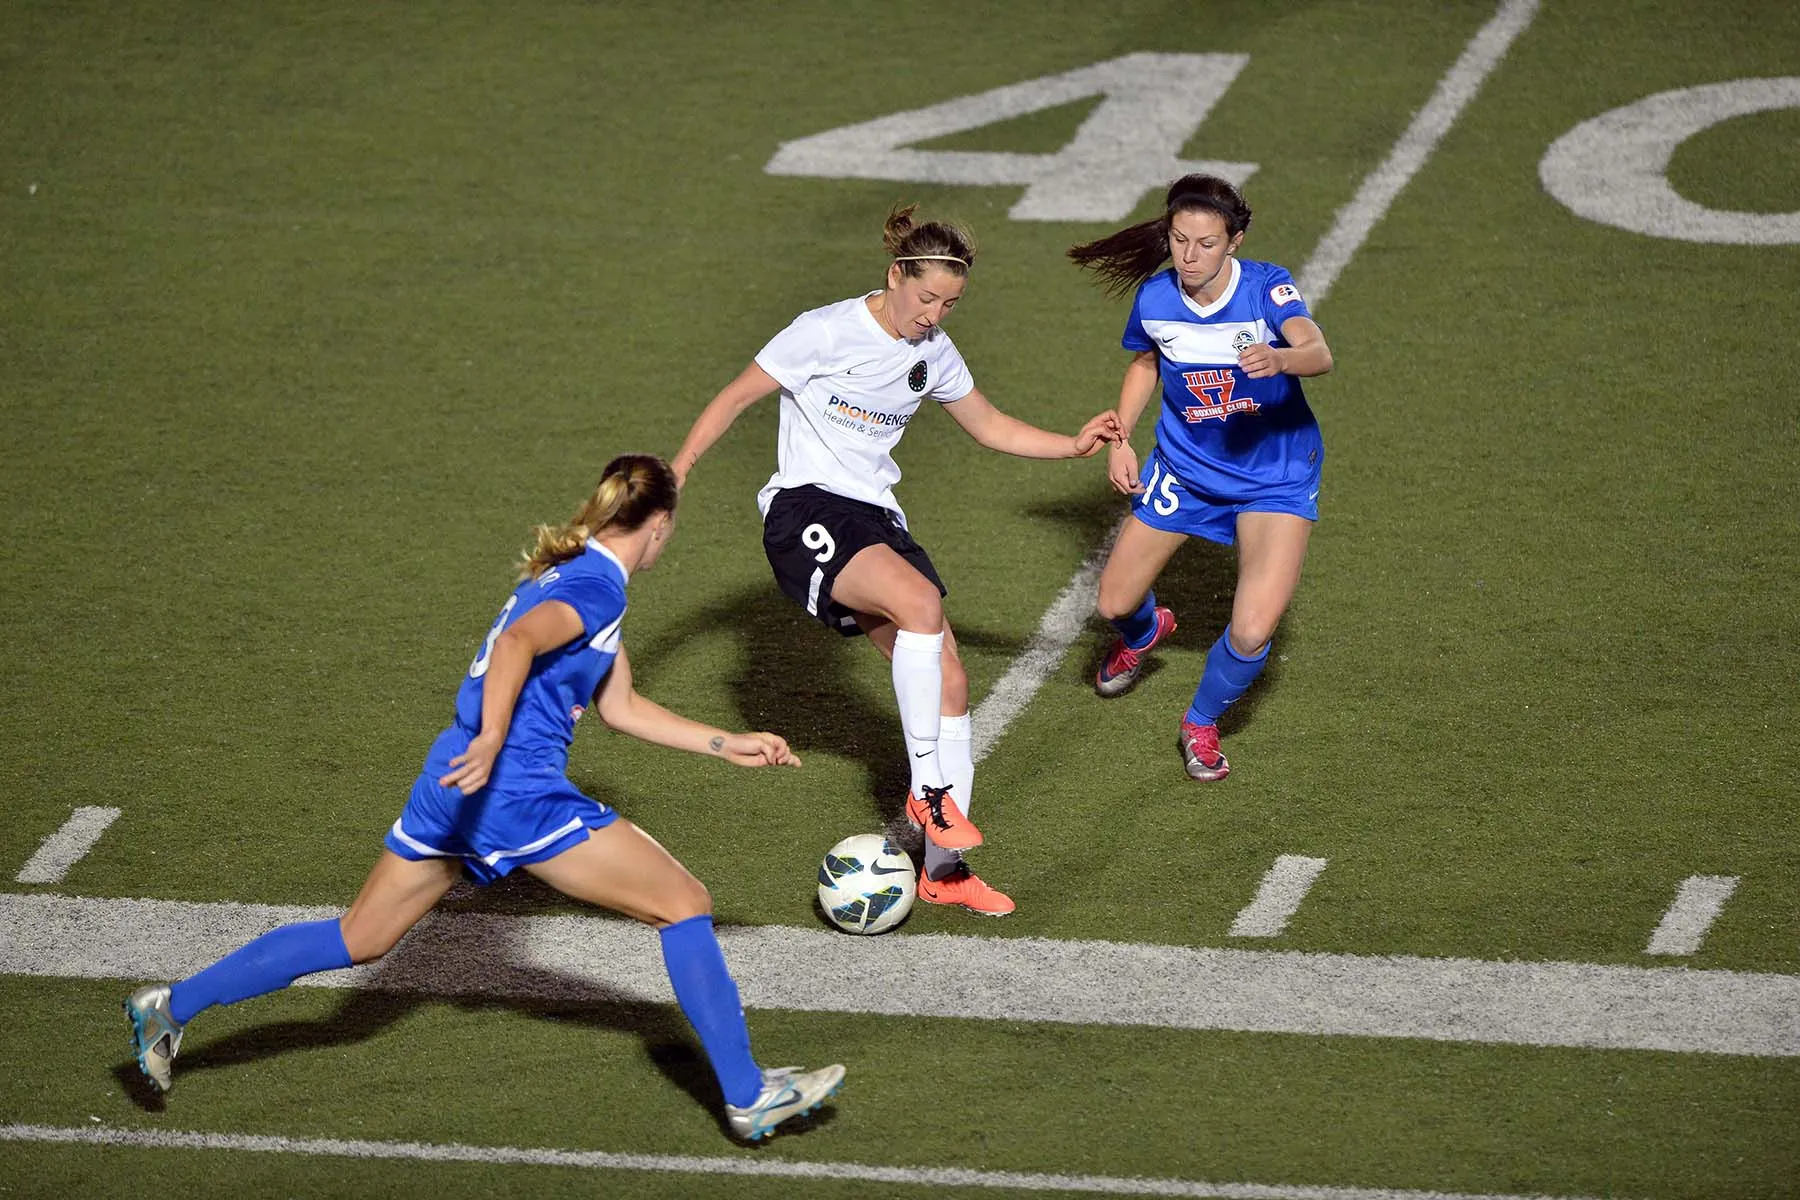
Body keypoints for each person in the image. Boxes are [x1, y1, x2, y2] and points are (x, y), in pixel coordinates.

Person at [123, 455, 843, 1144]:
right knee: (683, 902)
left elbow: (620, 707)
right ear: (657, 526)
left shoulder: (574, 573)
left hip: (452, 779)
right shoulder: (596, 587)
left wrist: (726, 742)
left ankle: (171, 1006)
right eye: (670, 532)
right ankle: (749, 1096)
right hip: (511, 787)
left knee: (359, 938)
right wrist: (497, 736)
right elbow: (518, 645)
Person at [672, 206, 1121, 916]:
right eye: (925, 298)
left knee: (950, 680)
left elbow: (990, 425)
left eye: (949, 303)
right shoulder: (823, 331)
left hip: (875, 518)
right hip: (806, 509)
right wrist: (680, 470)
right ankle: (931, 793)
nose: (934, 314)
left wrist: (1073, 444)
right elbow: (735, 397)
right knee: (920, 603)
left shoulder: (934, 352)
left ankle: (945, 872)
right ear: (895, 276)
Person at [1069, 174, 1334, 781]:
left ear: (1234, 242)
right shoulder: (1157, 297)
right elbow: (1147, 360)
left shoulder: (1268, 288)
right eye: (1179, 239)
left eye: (1206, 243)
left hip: (1274, 477)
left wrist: (1282, 358)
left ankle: (1201, 721)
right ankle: (1148, 629)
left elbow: (1318, 352)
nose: (1189, 256)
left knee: (1251, 627)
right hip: (1186, 470)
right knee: (1114, 602)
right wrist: (1121, 436)